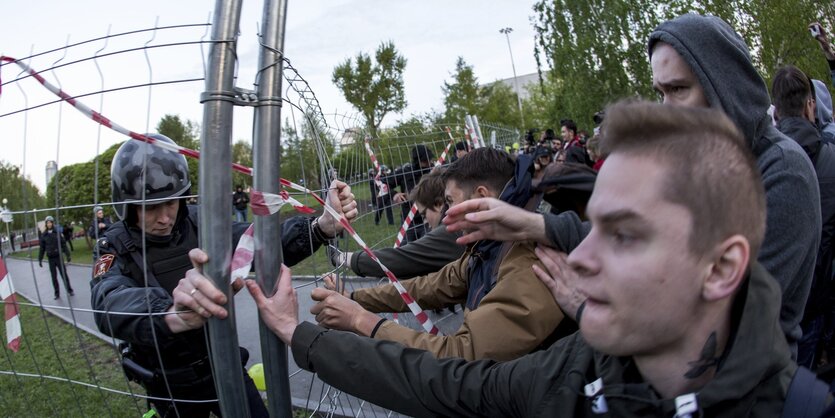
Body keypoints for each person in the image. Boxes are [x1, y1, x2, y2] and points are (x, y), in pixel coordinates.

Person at [244, 101, 829, 417]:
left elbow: (458, 355)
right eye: (590, 226)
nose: (582, 254)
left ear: (721, 268)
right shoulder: (578, 377)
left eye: (624, 235)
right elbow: (446, 380)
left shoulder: (801, 409)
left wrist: (363, 321)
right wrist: (304, 332)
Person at [445, 13, 822, 358]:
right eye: (660, 93)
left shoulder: (782, 171)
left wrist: (587, 308)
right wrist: (529, 223)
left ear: (723, 86)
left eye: (678, 90)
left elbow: (722, 319)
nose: (666, 109)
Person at [89, 134, 357, 418]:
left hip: (223, 362)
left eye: (171, 202)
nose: (165, 217)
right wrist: (168, 312)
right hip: (171, 385)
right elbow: (107, 299)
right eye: (151, 207)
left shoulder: (198, 220)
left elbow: (256, 243)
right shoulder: (113, 245)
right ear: (128, 206)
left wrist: (320, 227)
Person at [306, 148, 570, 361]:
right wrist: (353, 297)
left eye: (451, 202)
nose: (446, 214)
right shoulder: (491, 245)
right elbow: (430, 287)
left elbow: (463, 356)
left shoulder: (528, 260)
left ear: (482, 196)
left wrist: (359, 319)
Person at [771, 65, 835, 370]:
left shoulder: (757, 164)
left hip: (774, 306)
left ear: (777, 112)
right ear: (811, 105)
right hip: (820, 297)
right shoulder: (832, 159)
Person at [331, 167, 464, 279]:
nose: (425, 221)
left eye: (424, 214)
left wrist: (340, 257)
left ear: (439, 204)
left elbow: (401, 260)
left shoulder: (453, 232)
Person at [384, 144, 434, 244]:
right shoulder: (405, 172)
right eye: (425, 161)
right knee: (403, 249)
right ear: (417, 160)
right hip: (408, 220)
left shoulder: (433, 171)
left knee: (427, 249)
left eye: (429, 160)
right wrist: (394, 194)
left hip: (428, 219)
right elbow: (384, 184)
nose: (428, 163)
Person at [38, 216, 74, 300]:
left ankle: (69, 290)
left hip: (58, 257)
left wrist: (68, 255)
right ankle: (57, 293)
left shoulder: (57, 233)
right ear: (46, 224)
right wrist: (40, 259)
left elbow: (63, 244)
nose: (49, 224)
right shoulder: (44, 235)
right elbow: (42, 248)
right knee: (54, 277)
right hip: (51, 259)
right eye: (48, 223)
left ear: (52, 223)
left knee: (64, 274)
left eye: (50, 222)